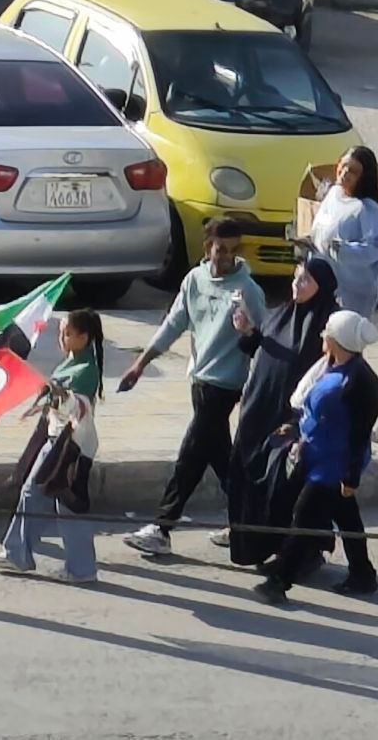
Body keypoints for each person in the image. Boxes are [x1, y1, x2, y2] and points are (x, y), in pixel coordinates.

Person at [118, 218, 266, 556]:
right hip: (198, 381)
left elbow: (264, 341)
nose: (226, 257)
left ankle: (161, 526)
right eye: (220, 249)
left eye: (233, 250)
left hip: (225, 386)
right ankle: (251, 520)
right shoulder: (194, 281)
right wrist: (141, 363)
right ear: (207, 247)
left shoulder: (249, 291)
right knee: (218, 459)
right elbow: (173, 324)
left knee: (189, 456)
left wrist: (247, 336)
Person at [254, 310, 378, 605]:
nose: (322, 336)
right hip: (317, 455)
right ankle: (363, 574)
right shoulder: (332, 367)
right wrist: (297, 427)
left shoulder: (361, 382)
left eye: (326, 332)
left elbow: (360, 434)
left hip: (333, 465)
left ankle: (279, 581)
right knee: (347, 517)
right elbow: (316, 410)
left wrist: (350, 476)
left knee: (304, 516)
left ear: (337, 340)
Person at [228, 257, 340, 568]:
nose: (296, 284)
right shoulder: (281, 315)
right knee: (249, 475)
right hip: (258, 412)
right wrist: (248, 331)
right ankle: (254, 545)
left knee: (285, 486)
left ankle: (301, 554)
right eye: (295, 277)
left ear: (322, 286)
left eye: (305, 280)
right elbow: (262, 347)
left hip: (292, 420)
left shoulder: (329, 324)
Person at [0, 309, 105, 583]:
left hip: (69, 445)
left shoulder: (86, 370)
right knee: (43, 496)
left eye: (66, 333)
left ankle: (76, 568)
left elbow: (80, 406)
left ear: (83, 337)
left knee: (57, 501)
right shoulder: (71, 362)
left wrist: (61, 395)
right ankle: (23, 555)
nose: (60, 338)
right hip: (56, 439)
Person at [310, 146, 378, 318]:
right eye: (342, 166)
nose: (344, 173)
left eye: (352, 171)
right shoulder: (333, 193)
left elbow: (375, 250)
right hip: (322, 283)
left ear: (364, 176)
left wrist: (343, 250)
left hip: (351, 294)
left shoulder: (367, 208)